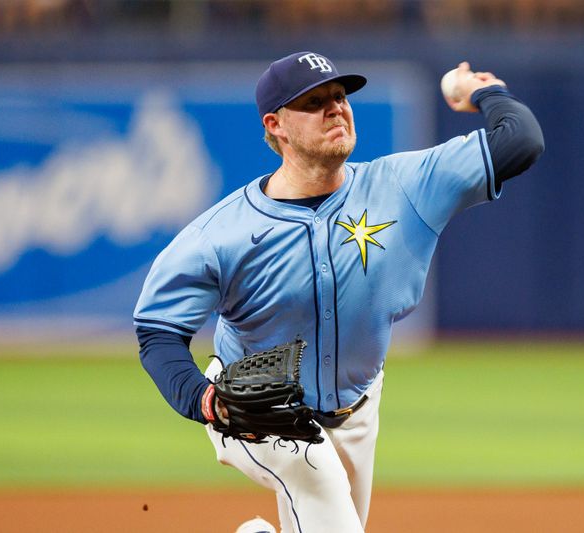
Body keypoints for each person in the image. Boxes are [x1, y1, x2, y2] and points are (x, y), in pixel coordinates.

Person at [134, 51, 544, 533]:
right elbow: (157, 331)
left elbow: (520, 141)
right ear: (276, 124)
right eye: (314, 101)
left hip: (358, 409)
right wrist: (204, 400)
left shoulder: (404, 186)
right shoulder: (221, 234)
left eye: (339, 96)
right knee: (324, 494)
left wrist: (482, 91)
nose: (336, 108)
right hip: (259, 411)